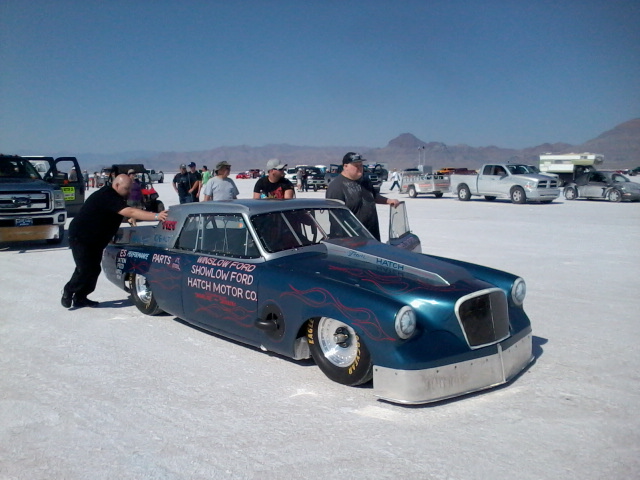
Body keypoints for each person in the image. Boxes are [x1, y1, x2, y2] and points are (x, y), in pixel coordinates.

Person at [61, 174, 168, 309]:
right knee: (85, 268)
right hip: (81, 237)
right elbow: (131, 211)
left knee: (94, 269)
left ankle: (81, 297)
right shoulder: (108, 195)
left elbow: (113, 213)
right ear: (117, 185)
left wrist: (126, 219)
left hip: (96, 238)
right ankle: (68, 290)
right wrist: (157, 216)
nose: (129, 192)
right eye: (127, 189)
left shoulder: (116, 197)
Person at [326, 152, 399, 241]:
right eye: (356, 166)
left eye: (361, 165)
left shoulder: (365, 181)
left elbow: (373, 196)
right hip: (352, 240)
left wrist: (388, 200)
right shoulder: (336, 187)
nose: (360, 168)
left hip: (372, 236)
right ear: (345, 166)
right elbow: (335, 218)